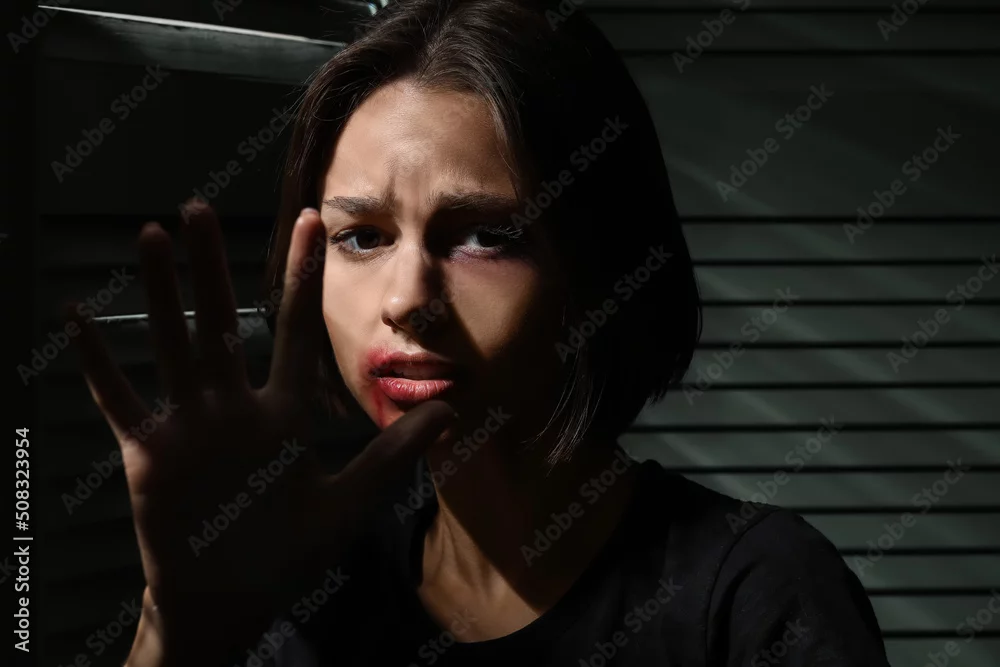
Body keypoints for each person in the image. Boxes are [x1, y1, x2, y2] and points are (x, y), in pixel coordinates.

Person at [67, 0, 893, 665]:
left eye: (485, 236)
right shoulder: (304, 577)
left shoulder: (756, 595)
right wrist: (179, 628)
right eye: (363, 237)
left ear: (601, 263)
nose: (407, 298)